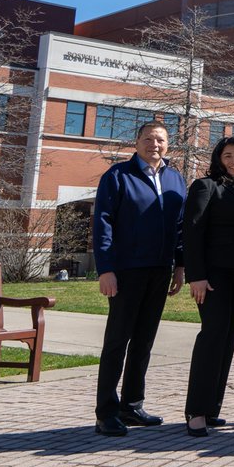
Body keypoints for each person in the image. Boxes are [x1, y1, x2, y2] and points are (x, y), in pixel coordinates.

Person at [91, 121, 186, 437]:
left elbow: (181, 227)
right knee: (117, 340)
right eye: (148, 139)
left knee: (144, 340)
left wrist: (180, 266)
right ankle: (106, 412)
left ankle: (131, 405)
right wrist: (105, 269)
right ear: (136, 142)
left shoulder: (175, 179)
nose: (154, 144)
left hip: (160, 270)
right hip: (125, 271)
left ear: (168, 145)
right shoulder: (117, 177)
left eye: (160, 139)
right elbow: (102, 224)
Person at [183, 136, 234, 437]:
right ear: (218, 158)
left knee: (228, 340)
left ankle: (213, 407)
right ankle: (196, 411)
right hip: (213, 277)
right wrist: (196, 276)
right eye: (228, 156)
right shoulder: (205, 186)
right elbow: (192, 231)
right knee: (212, 337)